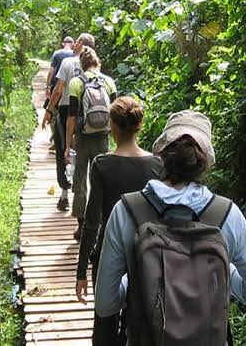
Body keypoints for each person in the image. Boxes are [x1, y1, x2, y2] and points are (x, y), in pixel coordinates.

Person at [94, 110, 246, 344]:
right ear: (206, 162)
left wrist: (136, 276)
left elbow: (105, 304)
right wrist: (224, 273)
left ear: (161, 155)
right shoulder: (227, 215)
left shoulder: (126, 211)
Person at [75, 97, 162, 345]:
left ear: (112, 125)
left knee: (104, 323)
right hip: (148, 253)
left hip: (109, 253)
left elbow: (92, 221)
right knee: (144, 320)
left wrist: (81, 271)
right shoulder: (157, 164)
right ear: (138, 125)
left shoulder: (103, 164)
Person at [64, 46, 117, 239]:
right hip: (103, 138)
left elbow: (71, 117)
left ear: (82, 64)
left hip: (83, 139)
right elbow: (115, 115)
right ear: (97, 62)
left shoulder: (76, 83)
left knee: (80, 182)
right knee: (101, 182)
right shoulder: (109, 82)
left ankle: (82, 227)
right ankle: (101, 225)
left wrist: (67, 144)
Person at [42, 33, 96, 211]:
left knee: (62, 151)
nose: (75, 43)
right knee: (81, 153)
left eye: (78, 41)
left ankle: (64, 194)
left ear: (81, 45)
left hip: (66, 111)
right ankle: (83, 197)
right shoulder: (96, 68)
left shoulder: (68, 62)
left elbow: (58, 90)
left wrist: (49, 110)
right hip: (88, 115)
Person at [44, 36, 75, 151]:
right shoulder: (74, 54)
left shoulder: (57, 54)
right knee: (70, 115)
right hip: (70, 89)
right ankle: (70, 141)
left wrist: (47, 87)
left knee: (53, 113)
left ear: (63, 44)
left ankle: (56, 139)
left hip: (57, 87)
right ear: (72, 44)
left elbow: (51, 71)